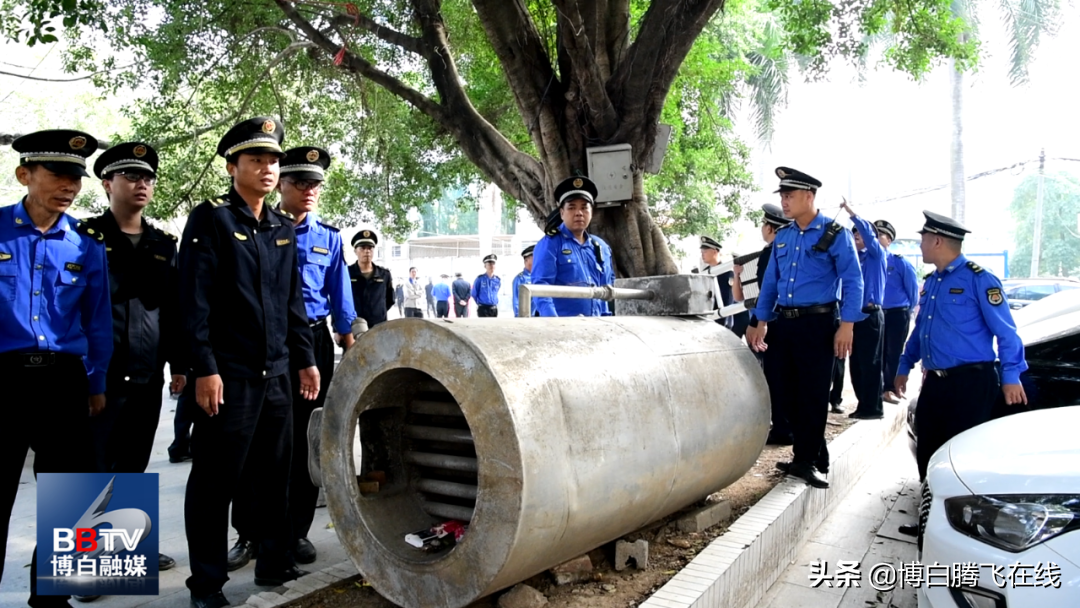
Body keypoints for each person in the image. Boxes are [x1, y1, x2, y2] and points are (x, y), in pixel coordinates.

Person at [178, 117, 319, 608]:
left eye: (273, 160)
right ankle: (207, 585)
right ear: (233, 165)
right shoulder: (211, 219)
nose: (266, 168)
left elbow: (291, 302)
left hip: (277, 373)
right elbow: (193, 302)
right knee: (216, 482)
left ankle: (273, 560)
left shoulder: (281, 226)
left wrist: (304, 359)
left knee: (275, 474)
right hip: (229, 376)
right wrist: (204, 367)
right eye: (255, 159)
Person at [227, 146, 356, 571]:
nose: (309, 190)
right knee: (252, 444)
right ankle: (249, 532)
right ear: (281, 184)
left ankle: (293, 532)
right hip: (263, 343)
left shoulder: (330, 238)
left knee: (305, 440)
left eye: (316, 183)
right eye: (300, 182)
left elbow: (341, 297)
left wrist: (349, 336)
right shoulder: (262, 228)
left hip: (314, 344)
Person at [0, 129, 112, 608]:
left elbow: (98, 320)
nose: (68, 186)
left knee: (69, 499)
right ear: (25, 174)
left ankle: (54, 602)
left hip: (64, 379)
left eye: (76, 178)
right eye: (58, 174)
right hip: (3, 379)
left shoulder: (85, 246)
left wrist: (97, 381)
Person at [85, 141, 182, 575]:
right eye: (130, 176)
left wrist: (179, 364)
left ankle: (127, 552)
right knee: (91, 471)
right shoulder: (86, 238)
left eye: (147, 178)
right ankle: (85, 565)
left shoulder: (163, 243)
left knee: (133, 468)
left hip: (146, 377)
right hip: (99, 378)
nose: (141, 184)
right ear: (108, 184)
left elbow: (174, 308)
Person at [745, 167, 864, 490]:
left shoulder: (834, 234)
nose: (784, 201)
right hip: (785, 323)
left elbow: (853, 281)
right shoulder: (783, 237)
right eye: (782, 196)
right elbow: (771, 283)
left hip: (819, 323)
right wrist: (760, 320)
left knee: (812, 394)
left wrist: (848, 325)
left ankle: (806, 460)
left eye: (790, 195)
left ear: (809, 197)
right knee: (782, 390)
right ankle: (811, 450)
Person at [895, 211, 1027, 488]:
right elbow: (921, 331)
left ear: (938, 241)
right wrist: (904, 365)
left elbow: (1006, 332)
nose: (920, 245)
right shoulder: (932, 283)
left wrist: (1011, 376)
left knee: (961, 455)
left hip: (971, 383)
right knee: (929, 448)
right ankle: (928, 517)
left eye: (924, 239)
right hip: (935, 383)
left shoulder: (979, 280)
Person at [732, 203, 793, 445]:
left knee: (777, 378)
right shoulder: (789, 249)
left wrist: (757, 321)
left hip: (772, 323)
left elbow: (768, 291)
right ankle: (787, 426)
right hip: (787, 321)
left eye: (762, 225)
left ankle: (782, 428)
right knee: (788, 377)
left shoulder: (771, 252)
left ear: (769, 228)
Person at [531, 176, 615, 317]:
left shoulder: (601, 247)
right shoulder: (550, 244)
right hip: (564, 328)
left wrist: (606, 321)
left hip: (597, 326)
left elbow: (605, 291)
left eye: (584, 207)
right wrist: (555, 324)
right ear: (562, 212)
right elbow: (541, 289)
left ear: (591, 212)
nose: (579, 213)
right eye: (571, 207)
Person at [841, 200, 887, 420]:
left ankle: (874, 407)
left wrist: (851, 213)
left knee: (871, 362)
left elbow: (869, 237)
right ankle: (863, 404)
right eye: (854, 233)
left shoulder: (876, 256)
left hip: (870, 314)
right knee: (856, 363)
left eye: (860, 232)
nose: (857, 235)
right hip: (853, 316)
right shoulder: (852, 260)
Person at [876, 219, 918, 405]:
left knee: (894, 352)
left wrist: (907, 313)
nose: (876, 239)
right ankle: (877, 389)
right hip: (876, 313)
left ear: (889, 241)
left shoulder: (900, 263)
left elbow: (913, 293)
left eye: (880, 236)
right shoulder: (868, 262)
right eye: (874, 235)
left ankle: (891, 389)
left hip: (896, 314)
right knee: (877, 353)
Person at [348, 230, 395, 329]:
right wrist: (337, 330)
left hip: (378, 326)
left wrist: (377, 312)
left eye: (370, 248)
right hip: (354, 326)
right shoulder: (347, 274)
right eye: (362, 248)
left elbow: (390, 299)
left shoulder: (384, 274)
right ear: (355, 251)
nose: (367, 251)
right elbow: (338, 301)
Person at [698, 236, 735, 330]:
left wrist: (724, 321)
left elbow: (727, 300)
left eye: (705, 252)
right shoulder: (704, 272)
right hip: (707, 320)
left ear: (714, 251)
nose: (702, 255)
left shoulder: (726, 272)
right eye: (702, 252)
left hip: (721, 320)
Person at [511, 245, 534, 317]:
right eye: (534, 257)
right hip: (527, 317)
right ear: (526, 260)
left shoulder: (540, 277)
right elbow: (516, 300)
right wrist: (519, 317)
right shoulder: (519, 279)